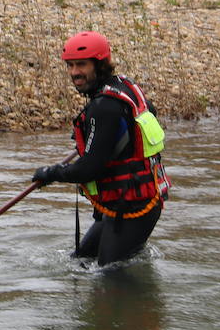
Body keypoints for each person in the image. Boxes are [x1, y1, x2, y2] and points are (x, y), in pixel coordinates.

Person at [32, 31, 171, 267]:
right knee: (81, 260)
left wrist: (51, 173)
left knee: (108, 277)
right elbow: (146, 117)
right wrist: (105, 142)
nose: (75, 72)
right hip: (132, 201)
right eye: (70, 65)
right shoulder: (126, 86)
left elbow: (88, 170)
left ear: (100, 64)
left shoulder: (104, 106)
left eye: (82, 65)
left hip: (131, 209)